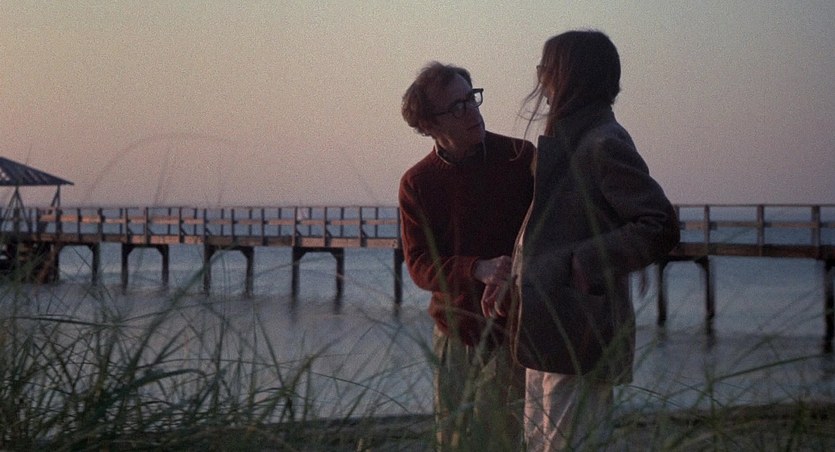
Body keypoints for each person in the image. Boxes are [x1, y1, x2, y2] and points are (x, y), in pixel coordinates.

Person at [507, 30, 680, 450]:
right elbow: (546, 231)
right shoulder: (570, 142)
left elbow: (659, 224)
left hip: (579, 329)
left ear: (570, 76)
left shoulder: (603, 142)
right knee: (540, 443)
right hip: (550, 325)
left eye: (547, 69)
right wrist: (511, 277)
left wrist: (583, 264)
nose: (541, 80)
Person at [398, 61, 535, 451]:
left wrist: (512, 272)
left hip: (514, 328)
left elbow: (549, 231)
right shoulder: (417, 182)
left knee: (507, 441)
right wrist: (477, 269)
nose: (472, 111)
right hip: (455, 331)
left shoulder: (519, 157)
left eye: (471, 98)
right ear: (428, 125)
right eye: (457, 107)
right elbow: (419, 265)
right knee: (455, 441)